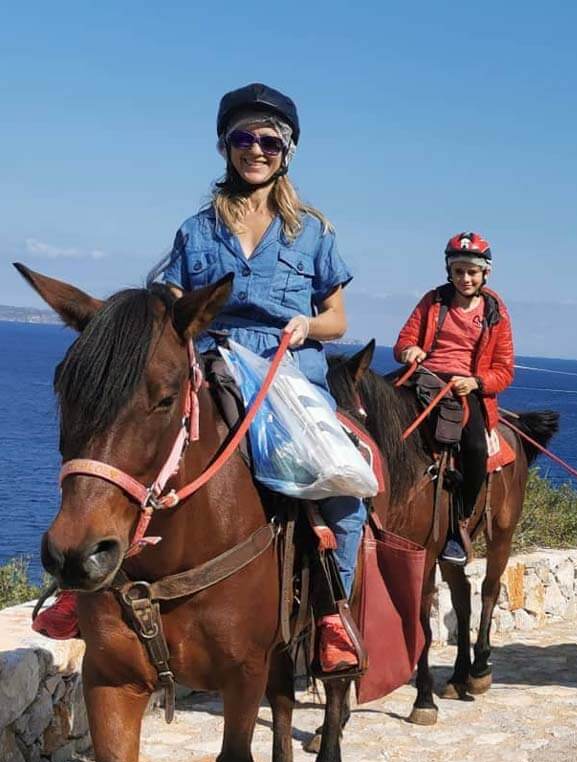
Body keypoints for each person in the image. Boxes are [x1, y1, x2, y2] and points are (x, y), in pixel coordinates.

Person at [34, 83, 364, 672]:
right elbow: (176, 305)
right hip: (212, 358)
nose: (254, 149)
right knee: (132, 444)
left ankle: (331, 615)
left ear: (286, 151)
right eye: (243, 138)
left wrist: (305, 326)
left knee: (343, 488)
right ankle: (76, 588)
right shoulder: (196, 229)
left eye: (268, 139)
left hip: (287, 370)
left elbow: (338, 320)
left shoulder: (312, 231)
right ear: (225, 147)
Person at [393, 232, 515, 565]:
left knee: (474, 446)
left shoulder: (495, 312)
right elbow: (403, 341)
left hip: (466, 388)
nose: (465, 278)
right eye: (459, 270)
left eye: (472, 272)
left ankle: (458, 525)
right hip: (425, 377)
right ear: (449, 270)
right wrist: (410, 351)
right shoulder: (433, 301)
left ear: (485, 273)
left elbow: (504, 371)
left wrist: (475, 382)